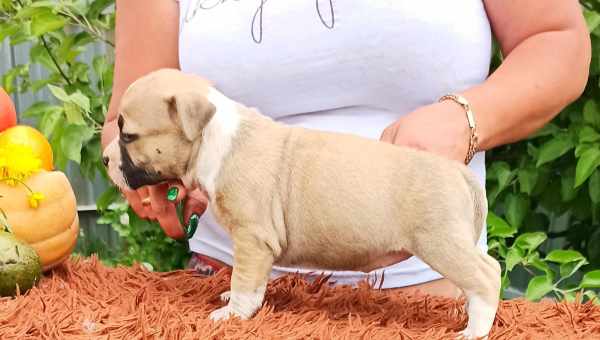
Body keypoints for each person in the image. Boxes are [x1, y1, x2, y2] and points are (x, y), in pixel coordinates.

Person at [101, 0, 590, 298]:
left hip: (422, 291)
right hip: (235, 291)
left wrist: (466, 118)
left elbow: (557, 41)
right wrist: (155, 186)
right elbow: (128, 116)